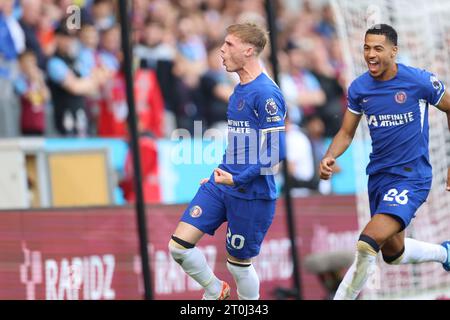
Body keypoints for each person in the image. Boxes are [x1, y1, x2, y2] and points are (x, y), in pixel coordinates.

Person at [319, 24, 450, 300]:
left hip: (411, 176)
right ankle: (445, 253)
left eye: (378, 48)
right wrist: (330, 155)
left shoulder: (419, 82)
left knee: (367, 243)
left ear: (394, 51)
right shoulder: (359, 88)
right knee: (393, 253)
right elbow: (345, 132)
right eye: (366, 48)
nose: (370, 54)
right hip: (379, 178)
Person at [168, 22, 286, 300]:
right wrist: (221, 174)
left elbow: (275, 153)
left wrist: (238, 178)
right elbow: (238, 146)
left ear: (248, 50)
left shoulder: (266, 94)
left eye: (229, 44)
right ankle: (214, 289)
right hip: (223, 183)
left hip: (252, 194)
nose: (221, 49)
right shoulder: (238, 92)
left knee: (238, 266)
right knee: (179, 247)